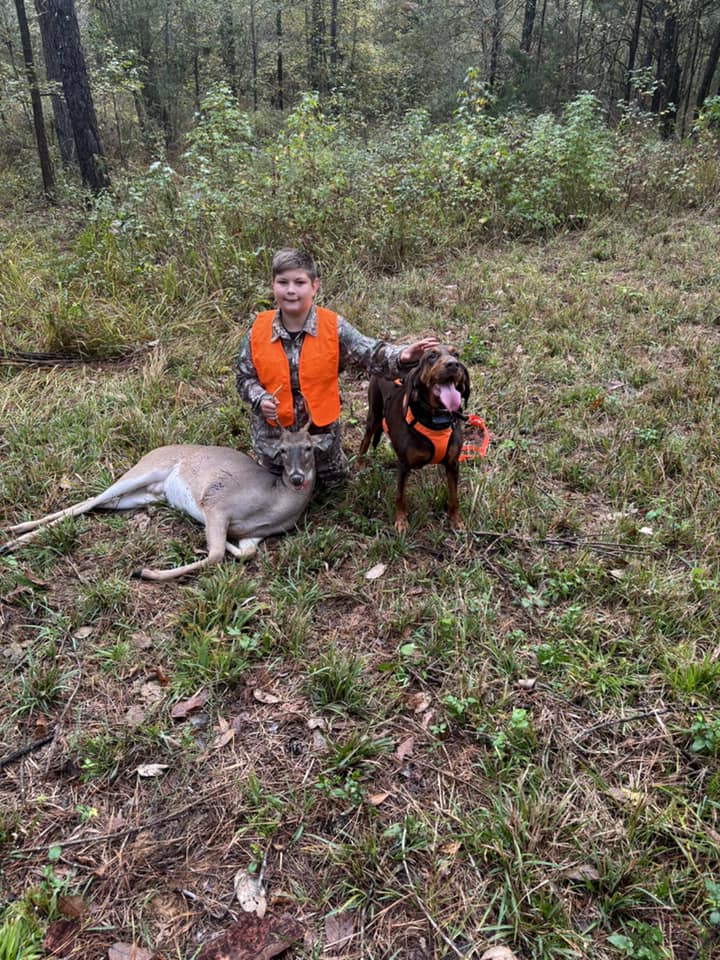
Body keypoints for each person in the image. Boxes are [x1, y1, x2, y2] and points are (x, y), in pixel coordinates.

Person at [235, 248, 439, 485]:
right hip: (274, 445)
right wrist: (260, 398)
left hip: (321, 442)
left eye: (299, 282)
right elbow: (244, 379)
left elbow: (370, 353)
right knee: (270, 493)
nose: (291, 290)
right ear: (273, 285)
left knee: (335, 487)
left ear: (314, 286)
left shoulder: (333, 327)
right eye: (283, 282)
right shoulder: (257, 331)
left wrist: (402, 355)